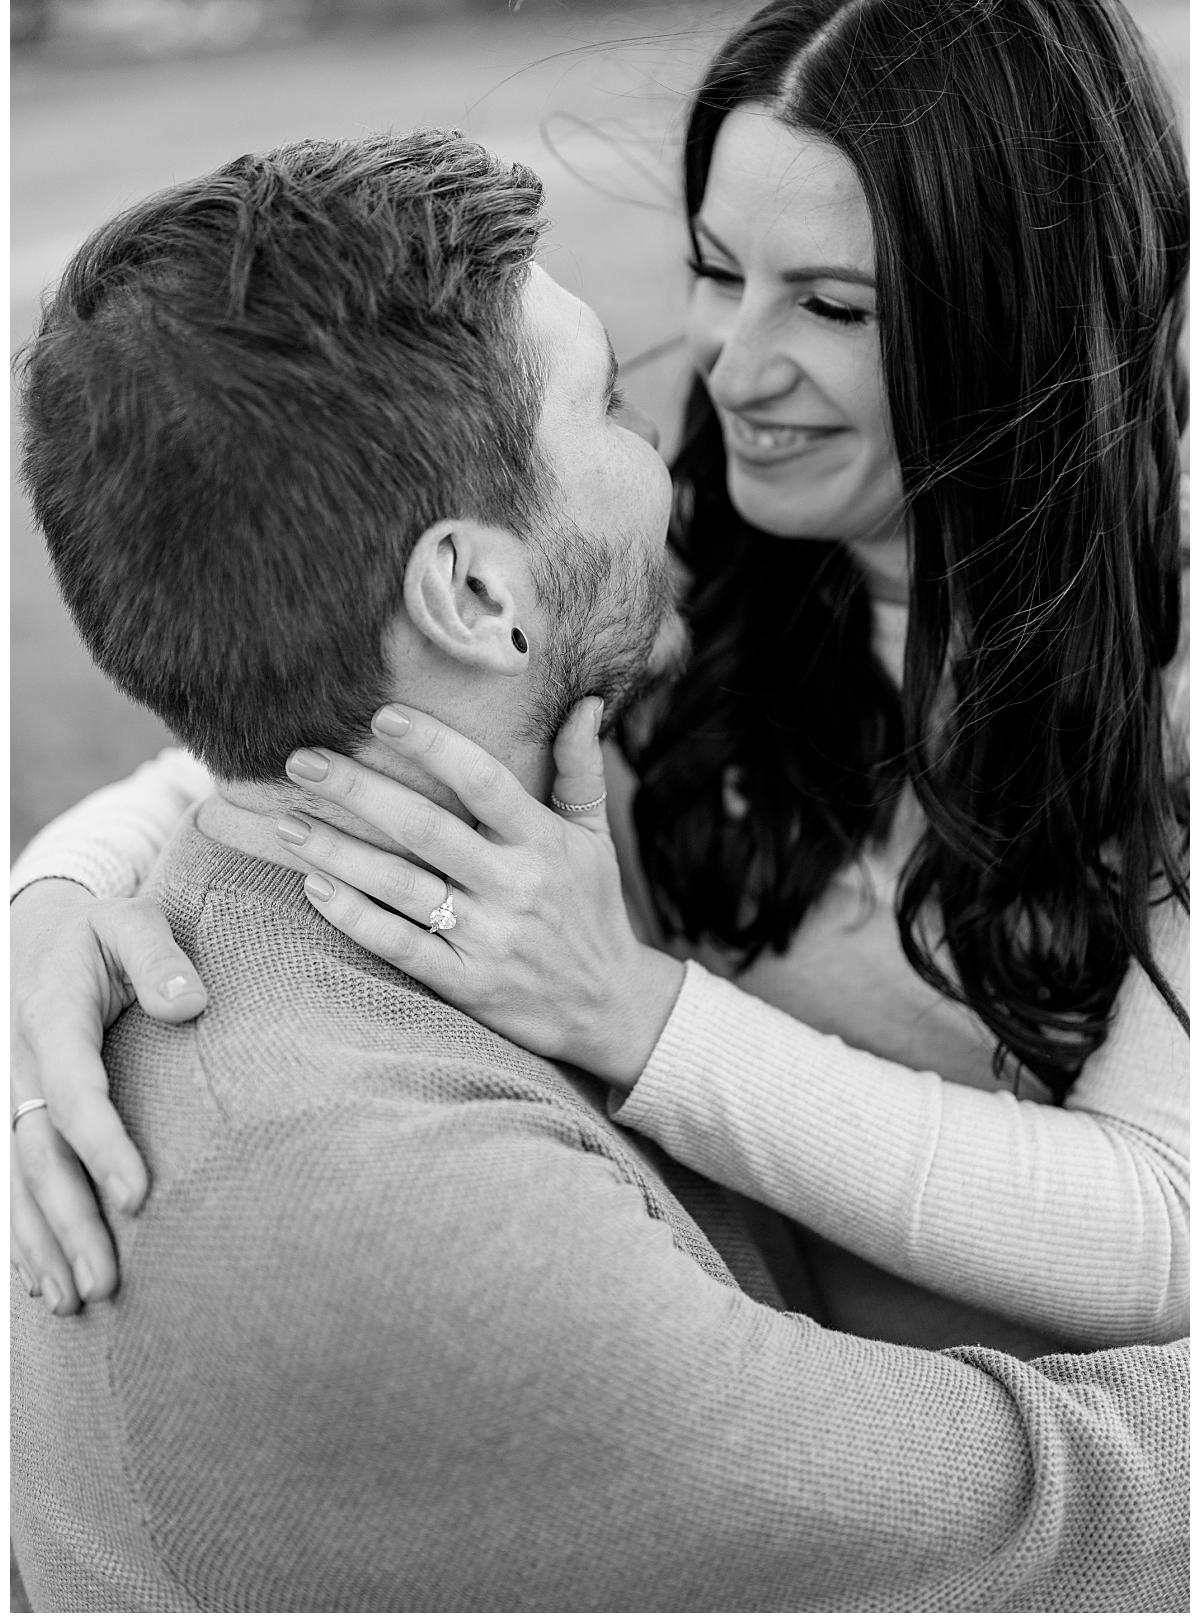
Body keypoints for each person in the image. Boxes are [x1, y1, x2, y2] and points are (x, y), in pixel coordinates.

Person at [9, 128, 1188, 1612]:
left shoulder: (339, 898)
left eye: (830, 302)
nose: (695, 422)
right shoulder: (417, 1215)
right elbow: (1068, 1501)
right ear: (478, 591)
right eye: (613, 406)